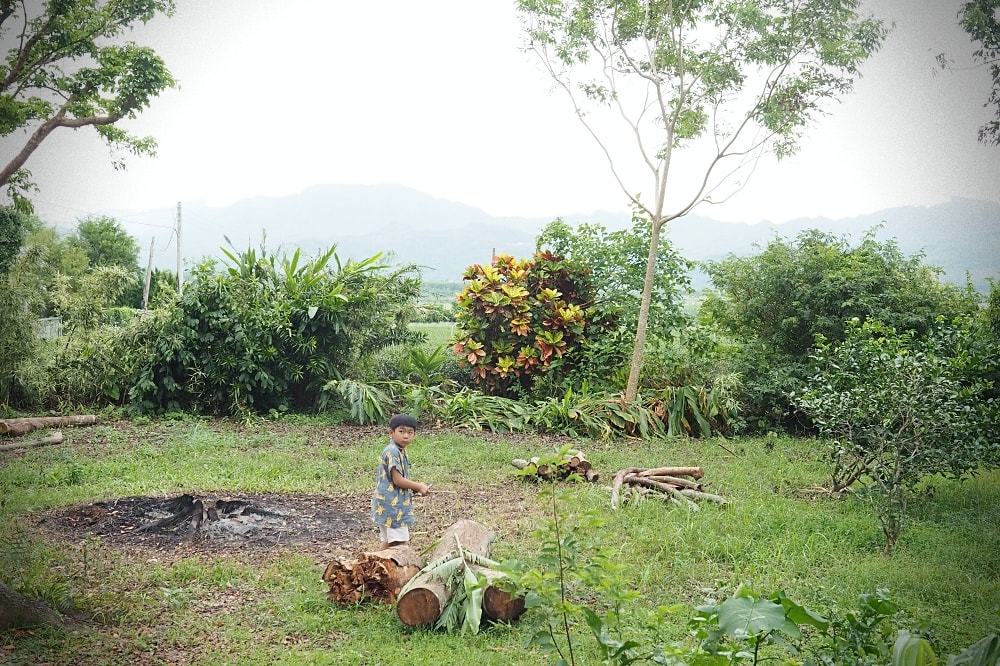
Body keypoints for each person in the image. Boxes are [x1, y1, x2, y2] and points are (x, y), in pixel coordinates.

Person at [370, 413, 430, 550]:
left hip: (390, 504)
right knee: (399, 544)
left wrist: (415, 487)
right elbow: (398, 480)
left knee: (388, 541)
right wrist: (418, 486)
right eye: (401, 431)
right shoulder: (393, 451)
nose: (405, 436)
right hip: (392, 506)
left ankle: (375, 567)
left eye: (410, 432)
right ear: (391, 432)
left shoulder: (399, 450)